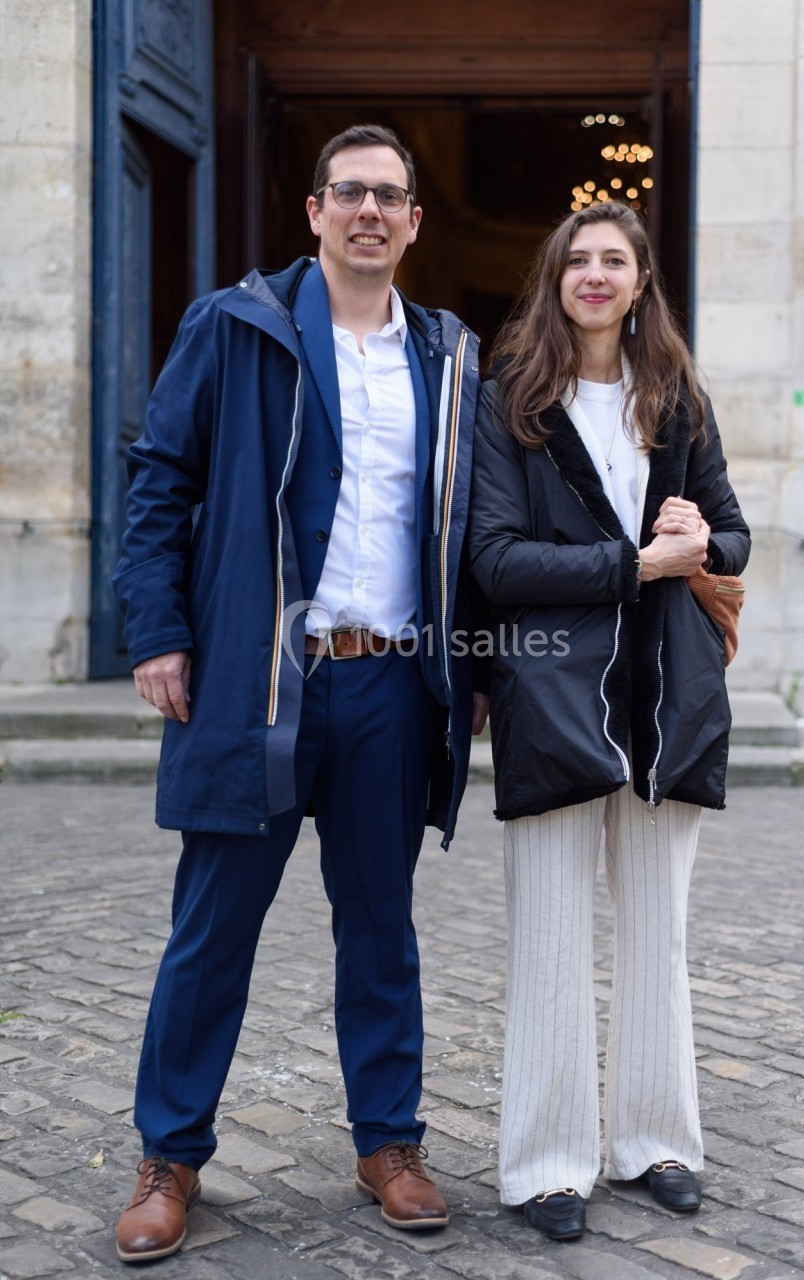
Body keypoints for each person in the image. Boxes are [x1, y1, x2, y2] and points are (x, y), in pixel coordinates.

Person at [112, 124, 489, 1263]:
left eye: (390, 196)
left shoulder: (448, 356)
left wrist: (469, 664)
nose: (369, 211)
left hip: (392, 686)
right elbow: (159, 478)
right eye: (349, 193)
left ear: (414, 221)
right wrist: (160, 632)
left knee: (381, 929)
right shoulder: (237, 328)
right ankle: (170, 1153)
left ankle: (390, 1142)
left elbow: (471, 528)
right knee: (211, 930)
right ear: (315, 212)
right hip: (259, 680)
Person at [468, 200, 750, 1241]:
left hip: (665, 698)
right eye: (576, 259)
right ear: (555, 278)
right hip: (551, 694)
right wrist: (635, 563)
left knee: (657, 934)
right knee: (546, 935)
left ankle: (657, 1140)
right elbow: (493, 559)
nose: (594, 274)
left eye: (613, 259)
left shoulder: (675, 398)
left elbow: (733, 532)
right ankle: (546, 1163)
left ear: (640, 284)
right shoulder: (513, 402)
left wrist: (701, 532)